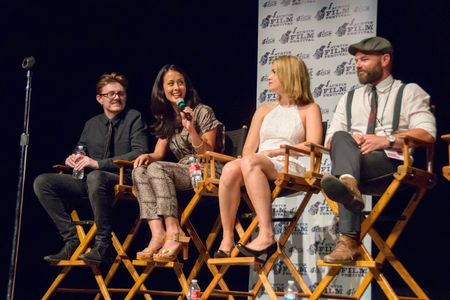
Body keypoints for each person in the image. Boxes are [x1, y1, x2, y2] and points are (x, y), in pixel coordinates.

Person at [321, 36, 436, 263]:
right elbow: (330, 141)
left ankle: (349, 239)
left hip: (390, 165)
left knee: (344, 173)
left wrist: (386, 140)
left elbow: (428, 133)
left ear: (384, 59)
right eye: (356, 60)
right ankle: (349, 188)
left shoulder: (409, 92)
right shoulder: (349, 98)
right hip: (355, 166)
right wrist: (354, 143)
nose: (357, 65)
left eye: (364, 59)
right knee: (342, 138)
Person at [34, 73, 150, 264]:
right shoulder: (91, 124)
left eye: (121, 93)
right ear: (100, 99)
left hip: (122, 178)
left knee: (96, 176)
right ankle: (72, 240)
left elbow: (140, 153)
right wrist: (73, 159)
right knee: (43, 182)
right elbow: (81, 151)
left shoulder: (134, 117)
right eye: (111, 94)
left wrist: (97, 164)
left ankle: (103, 245)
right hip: (90, 182)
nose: (116, 97)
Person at [215, 55, 323, 258]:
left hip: (289, 163)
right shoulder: (264, 110)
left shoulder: (310, 109)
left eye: (274, 72)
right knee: (230, 169)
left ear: (289, 75)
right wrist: (252, 159)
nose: (269, 76)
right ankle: (227, 236)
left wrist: (278, 151)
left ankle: (266, 233)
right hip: (258, 163)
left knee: (251, 162)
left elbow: (313, 145)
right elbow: (248, 149)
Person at [132, 64, 223, 262]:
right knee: (139, 171)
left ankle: (174, 232)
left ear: (187, 87)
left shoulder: (202, 111)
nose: (176, 87)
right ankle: (158, 234)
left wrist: (191, 129)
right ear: (162, 90)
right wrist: (148, 156)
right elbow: (158, 153)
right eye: (171, 83)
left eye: (180, 83)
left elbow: (207, 151)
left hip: (207, 168)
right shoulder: (168, 119)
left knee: (157, 168)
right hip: (184, 169)